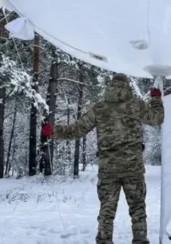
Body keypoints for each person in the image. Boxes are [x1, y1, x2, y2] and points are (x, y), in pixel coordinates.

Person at [42, 73, 164, 244]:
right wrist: (156, 99)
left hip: (108, 170)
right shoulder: (138, 105)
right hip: (133, 168)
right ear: (127, 86)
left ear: (110, 86)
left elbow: (77, 129)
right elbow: (158, 119)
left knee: (107, 211)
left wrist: (53, 131)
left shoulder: (100, 109)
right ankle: (140, 240)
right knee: (137, 209)